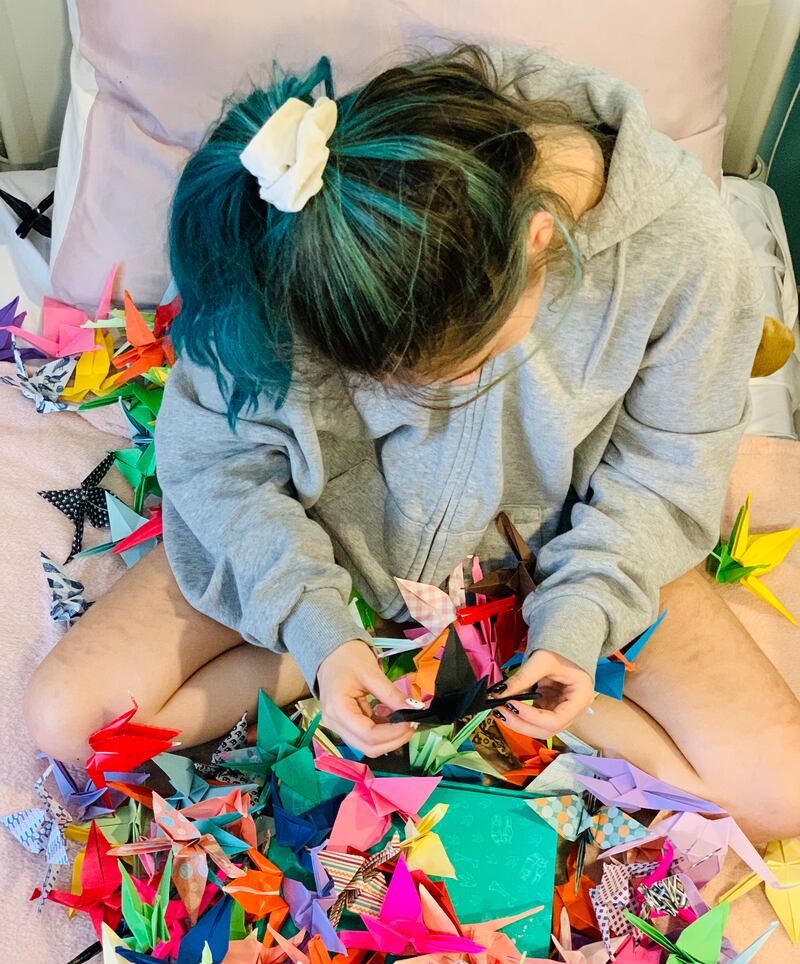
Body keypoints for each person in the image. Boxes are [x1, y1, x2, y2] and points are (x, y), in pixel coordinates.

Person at [24, 44, 800, 843]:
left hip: (558, 556)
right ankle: (348, 660)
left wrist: (576, 628)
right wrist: (320, 636)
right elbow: (222, 460)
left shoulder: (689, 252)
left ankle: (484, 671)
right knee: (67, 718)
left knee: (782, 794)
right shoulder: (334, 223)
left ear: (539, 241)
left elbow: (664, 475)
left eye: (467, 366)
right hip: (320, 544)